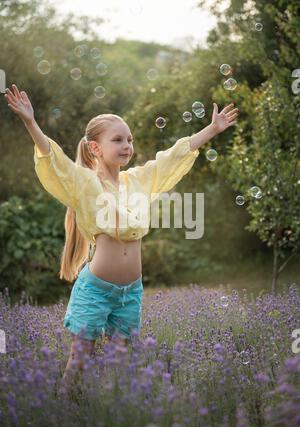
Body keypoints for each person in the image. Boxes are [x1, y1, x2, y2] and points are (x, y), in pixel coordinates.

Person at [4, 83, 238, 393]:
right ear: (95, 148)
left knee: (123, 360)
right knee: (81, 358)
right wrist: (30, 122)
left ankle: (113, 409)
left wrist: (211, 129)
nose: (127, 145)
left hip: (131, 291)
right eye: (117, 139)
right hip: (96, 289)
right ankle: (64, 407)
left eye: (129, 139)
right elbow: (54, 160)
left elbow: (171, 158)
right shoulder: (85, 183)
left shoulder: (138, 180)